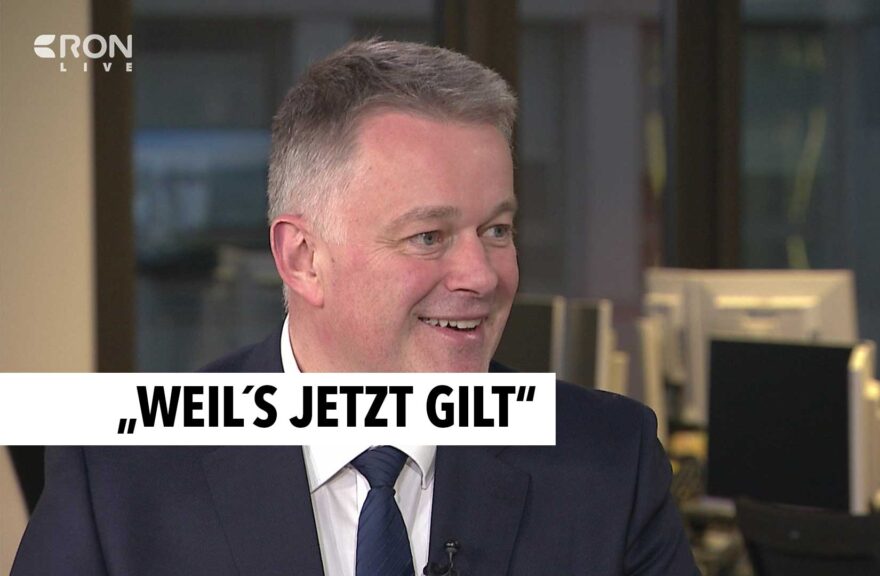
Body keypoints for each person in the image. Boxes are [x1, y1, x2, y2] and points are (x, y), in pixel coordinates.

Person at [13, 40, 699, 576]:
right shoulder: (119, 476)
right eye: (428, 236)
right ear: (304, 258)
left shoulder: (610, 462)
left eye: (496, 230)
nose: (481, 275)